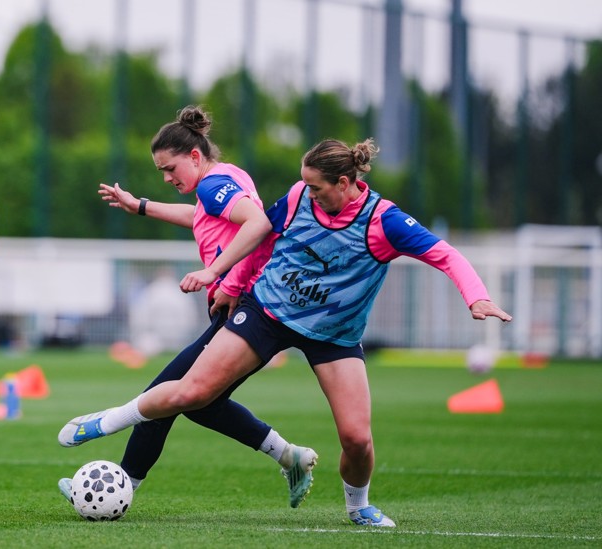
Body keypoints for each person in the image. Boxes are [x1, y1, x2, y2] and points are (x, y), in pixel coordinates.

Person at [59, 138, 513, 527]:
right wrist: (232, 286)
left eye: (316, 187)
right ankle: (105, 422)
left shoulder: (384, 221)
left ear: (344, 183)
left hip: (334, 335)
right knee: (192, 392)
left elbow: (445, 254)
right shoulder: (298, 197)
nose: (306, 193)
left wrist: (476, 297)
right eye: (305, 184)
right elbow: (263, 238)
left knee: (357, 439)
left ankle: (358, 506)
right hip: (268, 312)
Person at [59, 105, 319, 510]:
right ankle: (289, 456)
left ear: (195, 156)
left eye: (170, 168)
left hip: (243, 308)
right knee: (201, 404)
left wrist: (217, 274)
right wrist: (140, 205)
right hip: (242, 304)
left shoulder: (213, 184)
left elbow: (259, 223)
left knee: (163, 396)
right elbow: (199, 216)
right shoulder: (224, 178)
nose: (166, 178)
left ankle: (115, 473)